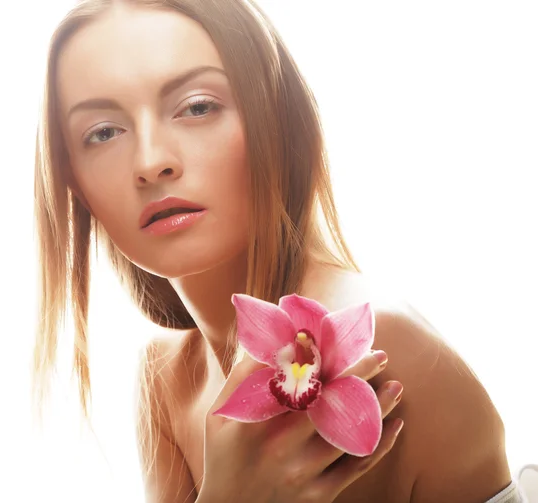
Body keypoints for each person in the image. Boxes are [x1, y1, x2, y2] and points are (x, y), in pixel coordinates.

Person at [32, 1, 526, 502]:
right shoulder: (167, 381)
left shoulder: (382, 350)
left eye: (198, 106)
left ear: (277, 117)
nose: (150, 161)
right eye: (102, 132)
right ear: (73, 180)